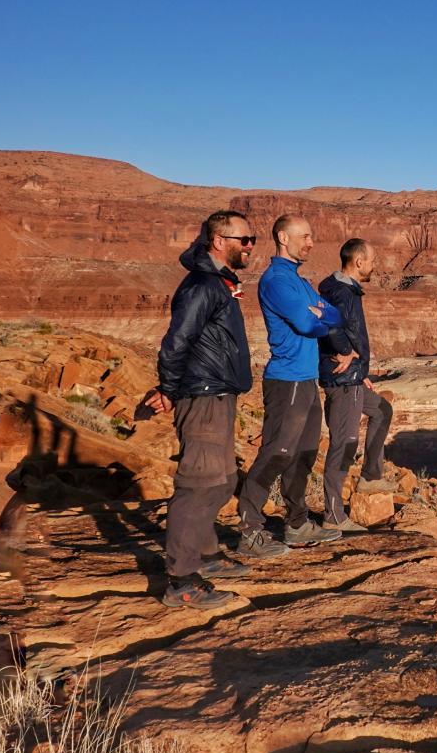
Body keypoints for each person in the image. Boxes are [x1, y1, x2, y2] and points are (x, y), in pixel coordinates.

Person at [145, 210, 256, 609]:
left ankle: (206, 556)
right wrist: (169, 390)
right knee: (198, 487)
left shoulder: (220, 282)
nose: (250, 247)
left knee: (223, 480)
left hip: (219, 394)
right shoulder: (203, 286)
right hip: (204, 395)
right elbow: (176, 343)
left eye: (252, 239)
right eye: (245, 239)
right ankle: (181, 580)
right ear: (219, 241)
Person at [235, 214, 345, 555]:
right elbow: (306, 324)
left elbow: (336, 315)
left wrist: (319, 314)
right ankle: (249, 530)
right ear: (284, 237)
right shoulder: (276, 280)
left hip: (307, 379)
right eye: (306, 236)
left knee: (304, 455)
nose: (312, 242)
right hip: (287, 381)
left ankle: (296, 524)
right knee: (277, 454)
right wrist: (316, 317)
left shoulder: (298, 280)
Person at [317, 238, 396, 532]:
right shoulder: (343, 293)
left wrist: (360, 369)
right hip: (342, 381)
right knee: (344, 444)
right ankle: (333, 515)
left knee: (382, 411)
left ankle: (371, 475)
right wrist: (346, 354)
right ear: (359, 261)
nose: (375, 265)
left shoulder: (344, 290)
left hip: (352, 377)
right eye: (372, 260)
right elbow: (328, 324)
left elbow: (344, 328)